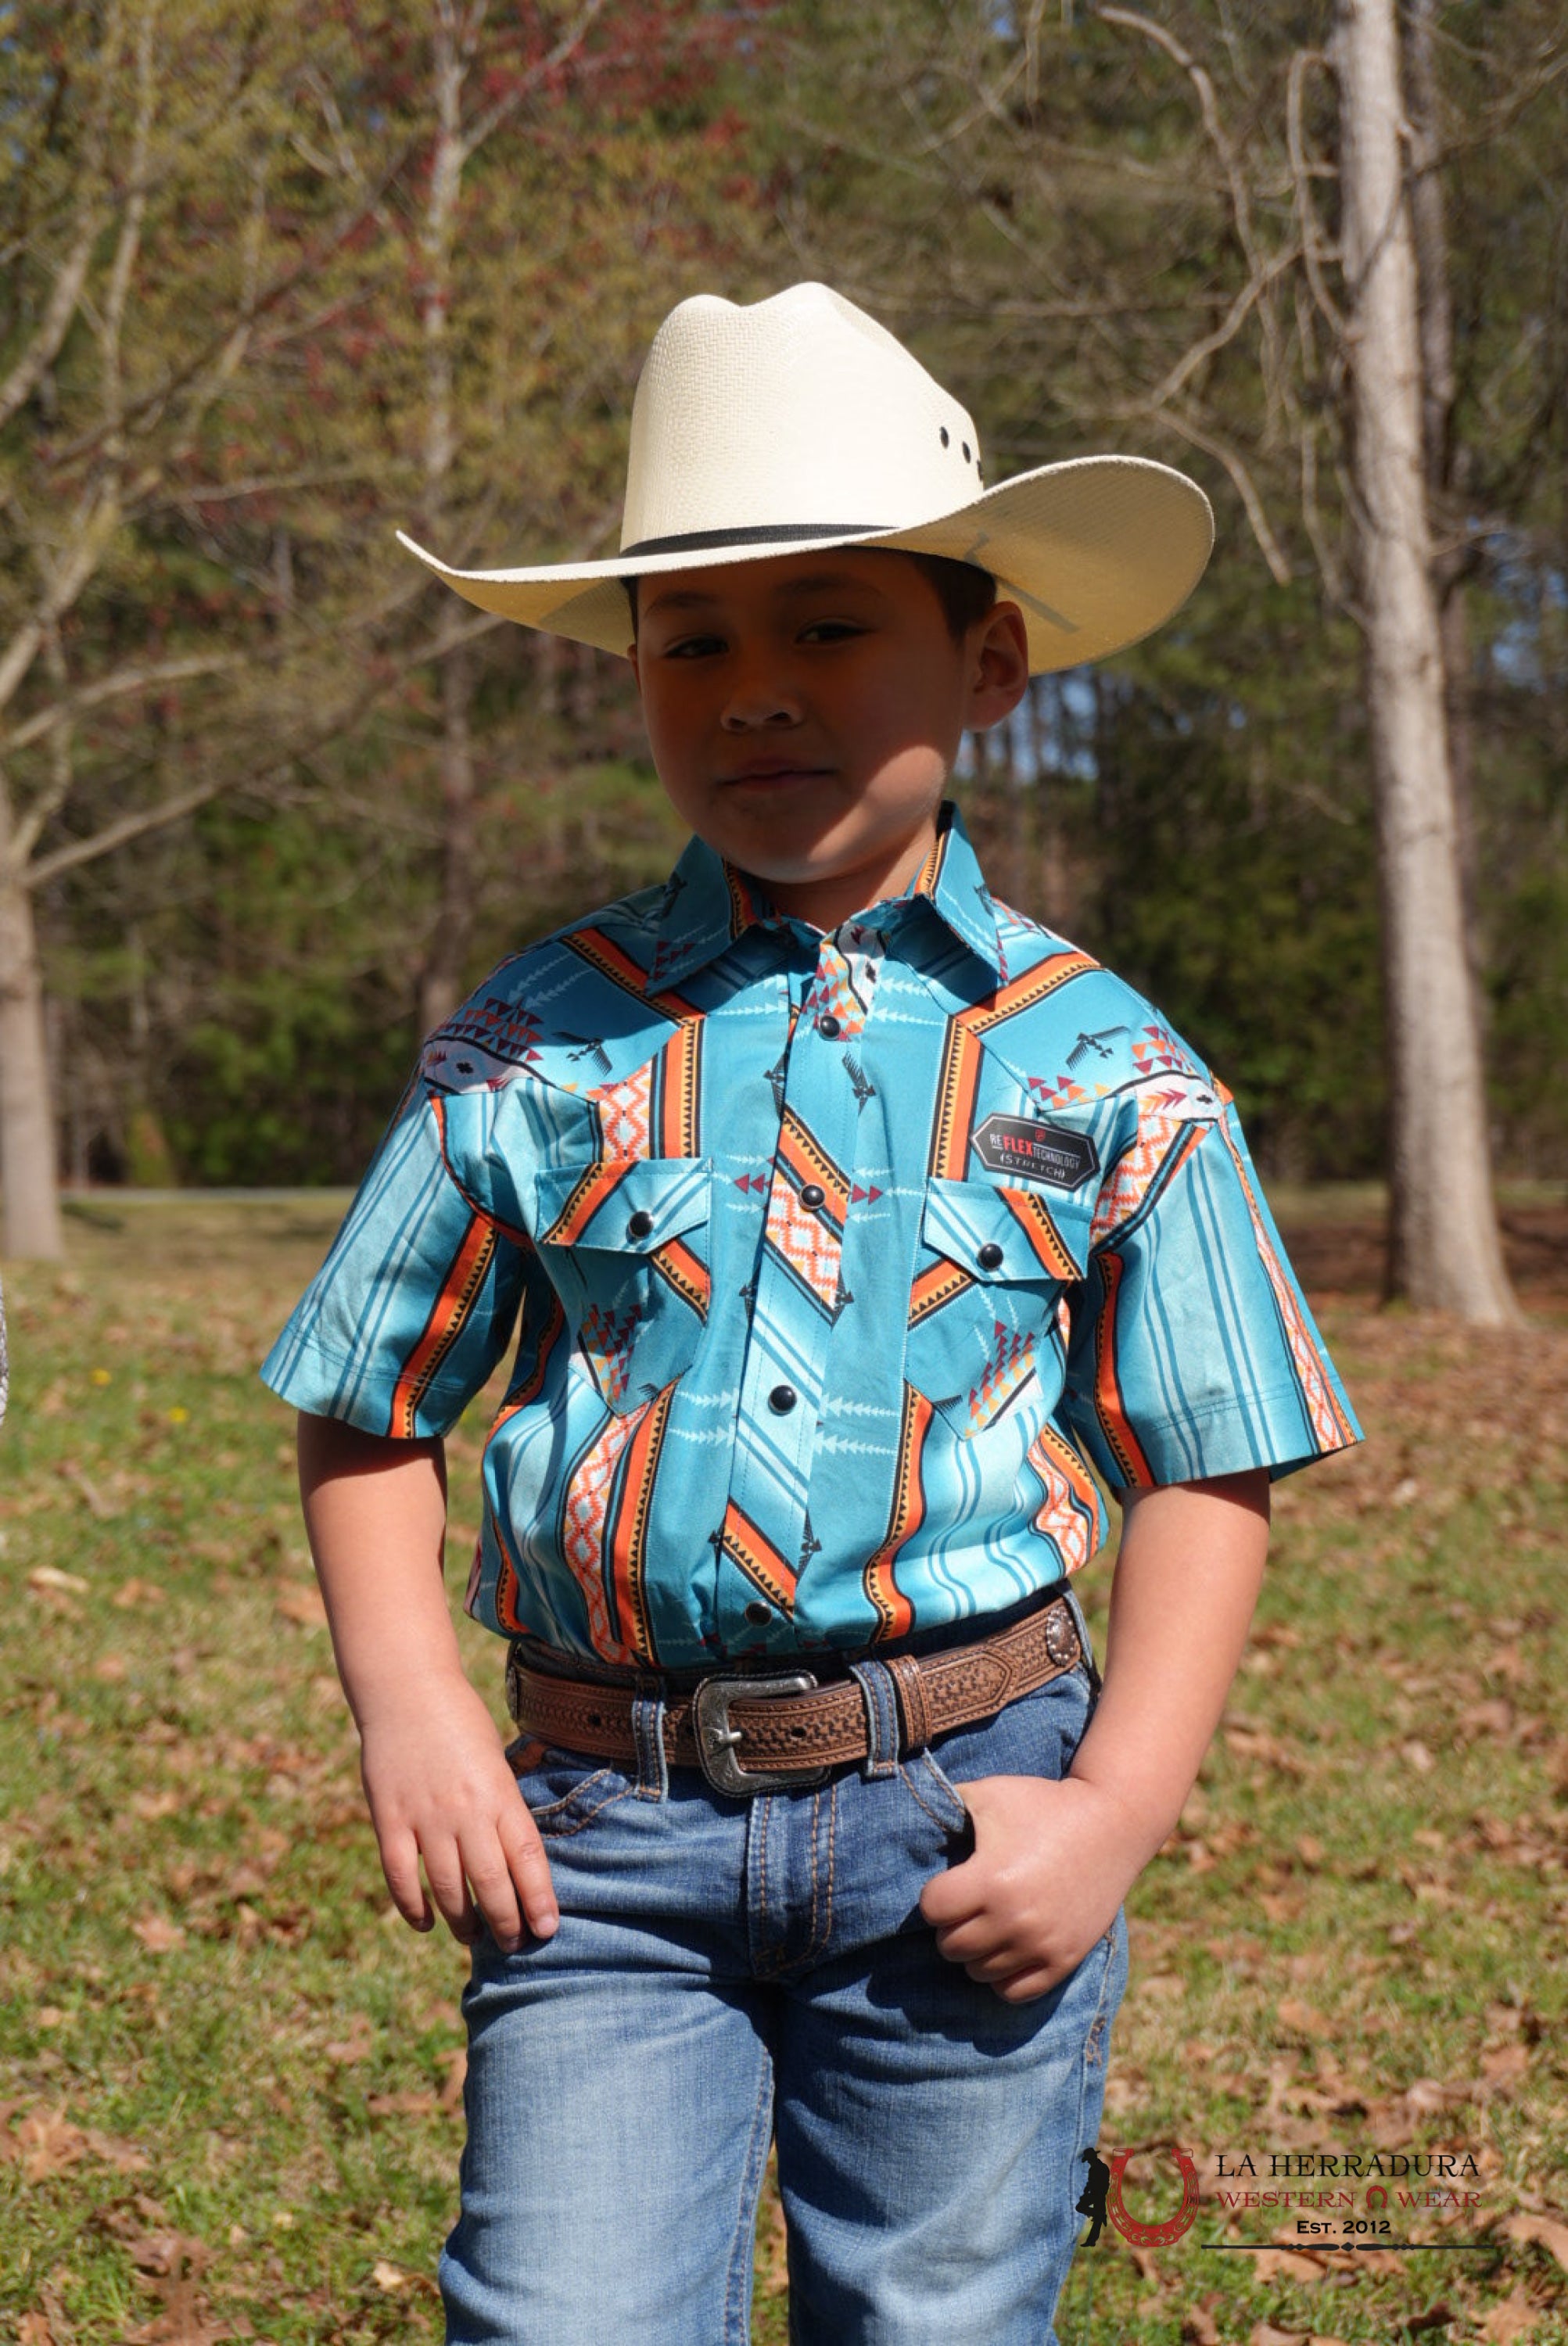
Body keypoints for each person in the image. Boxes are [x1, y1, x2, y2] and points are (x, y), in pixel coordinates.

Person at [262, 282, 1361, 2345]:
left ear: (993, 657)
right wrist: (412, 1712)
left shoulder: (1105, 1065)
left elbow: (1215, 1451)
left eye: (829, 625)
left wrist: (1115, 1812)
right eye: (696, 641)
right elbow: (367, 1397)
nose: (756, 689)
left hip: (965, 1823)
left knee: (941, 2319)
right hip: (600, 1848)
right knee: (563, 2314)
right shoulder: (531, 1045)